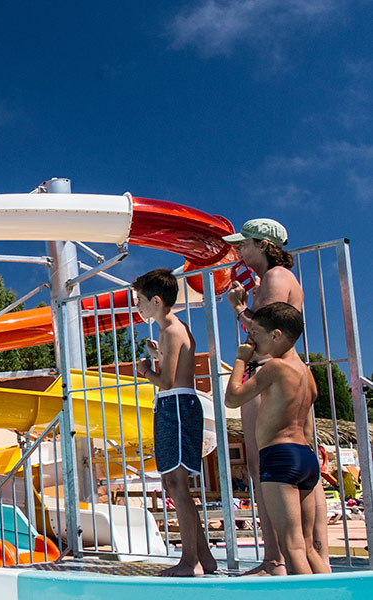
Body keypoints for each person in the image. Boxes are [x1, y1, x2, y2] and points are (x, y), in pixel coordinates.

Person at [223, 218, 330, 575]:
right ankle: (316, 557)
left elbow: (261, 334)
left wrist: (238, 306)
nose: (239, 250)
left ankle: (275, 561)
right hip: (297, 377)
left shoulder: (273, 278)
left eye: (244, 244)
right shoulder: (284, 279)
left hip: (270, 375)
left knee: (262, 466)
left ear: (262, 245)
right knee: (304, 467)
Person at [133, 268, 217, 576]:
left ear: (156, 300)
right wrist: (159, 355)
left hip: (177, 406)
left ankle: (189, 560)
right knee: (172, 483)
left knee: (178, 484)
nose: (138, 307)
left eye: (140, 300)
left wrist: (144, 369)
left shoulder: (170, 330)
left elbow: (167, 381)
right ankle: (204, 557)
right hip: (176, 405)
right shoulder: (173, 329)